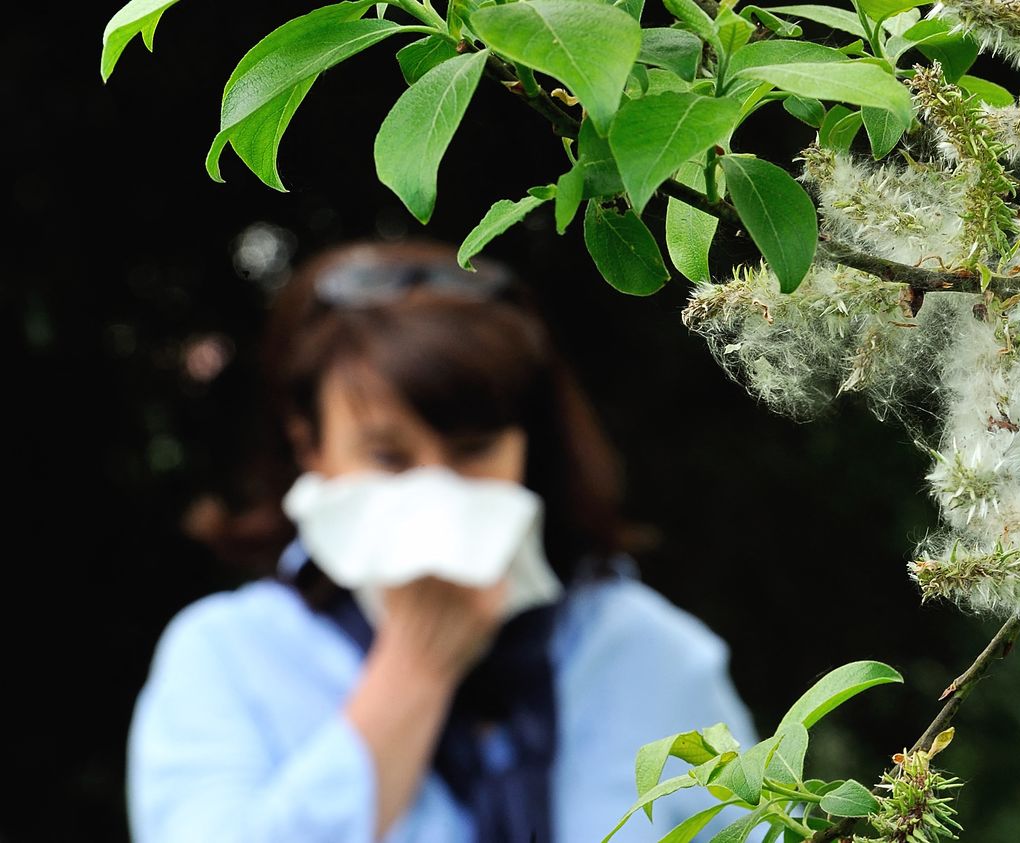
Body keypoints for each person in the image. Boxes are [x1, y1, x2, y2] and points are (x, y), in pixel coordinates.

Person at [127, 239, 759, 842]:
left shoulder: (652, 657)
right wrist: (414, 671)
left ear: (526, 448)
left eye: (472, 450)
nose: (435, 490)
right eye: (388, 457)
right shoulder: (225, 661)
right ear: (310, 445)